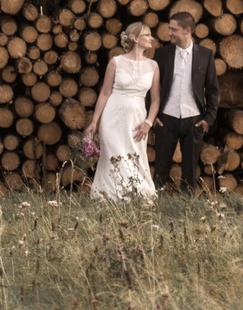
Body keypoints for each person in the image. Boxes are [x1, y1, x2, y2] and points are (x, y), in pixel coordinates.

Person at [84, 21, 160, 199]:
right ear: (135, 38)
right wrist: (94, 122)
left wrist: (148, 123)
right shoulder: (116, 62)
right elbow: (105, 92)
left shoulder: (153, 66)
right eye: (147, 34)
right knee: (112, 154)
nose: (151, 38)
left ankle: (136, 195)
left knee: (135, 155)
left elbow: (156, 99)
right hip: (113, 117)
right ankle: (108, 196)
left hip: (137, 119)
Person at [151, 11, 219, 193]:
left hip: (194, 120)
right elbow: (151, 88)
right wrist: (153, 116)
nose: (169, 33)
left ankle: (188, 209)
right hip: (165, 118)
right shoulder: (161, 54)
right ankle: (155, 206)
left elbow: (213, 90)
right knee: (161, 167)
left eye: (173, 29)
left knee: (190, 170)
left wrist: (209, 118)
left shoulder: (205, 55)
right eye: (169, 29)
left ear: (187, 30)